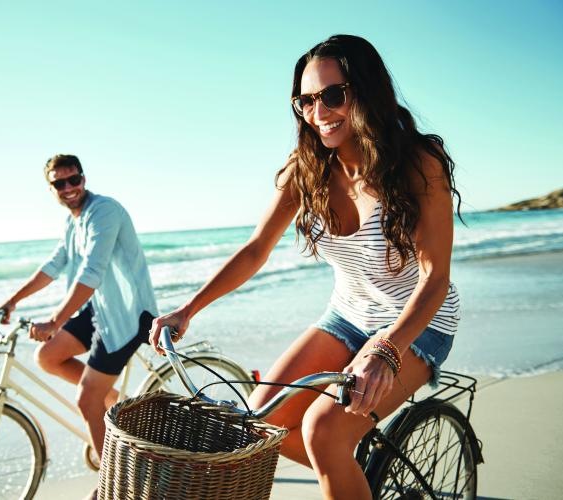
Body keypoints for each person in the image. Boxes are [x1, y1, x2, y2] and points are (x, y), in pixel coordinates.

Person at [149, 34, 461, 499]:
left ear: (367, 92)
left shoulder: (418, 162)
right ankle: (353, 477)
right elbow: (256, 249)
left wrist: (387, 350)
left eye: (333, 95)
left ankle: (340, 457)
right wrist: (188, 309)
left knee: (323, 431)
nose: (320, 112)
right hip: (348, 316)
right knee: (260, 425)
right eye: (306, 101)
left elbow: (435, 277)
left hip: (418, 323)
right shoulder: (307, 169)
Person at [0, 154, 157, 474]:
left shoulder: (104, 212)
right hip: (98, 310)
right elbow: (53, 266)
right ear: (51, 188)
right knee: (47, 357)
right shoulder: (74, 221)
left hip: (128, 316)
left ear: (84, 178)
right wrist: (11, 301)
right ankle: (113, 403)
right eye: (59, 183)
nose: (68, 187)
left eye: (74, 179)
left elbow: (91, 273)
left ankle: (111, 484)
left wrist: (56, 321)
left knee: (85, 400)